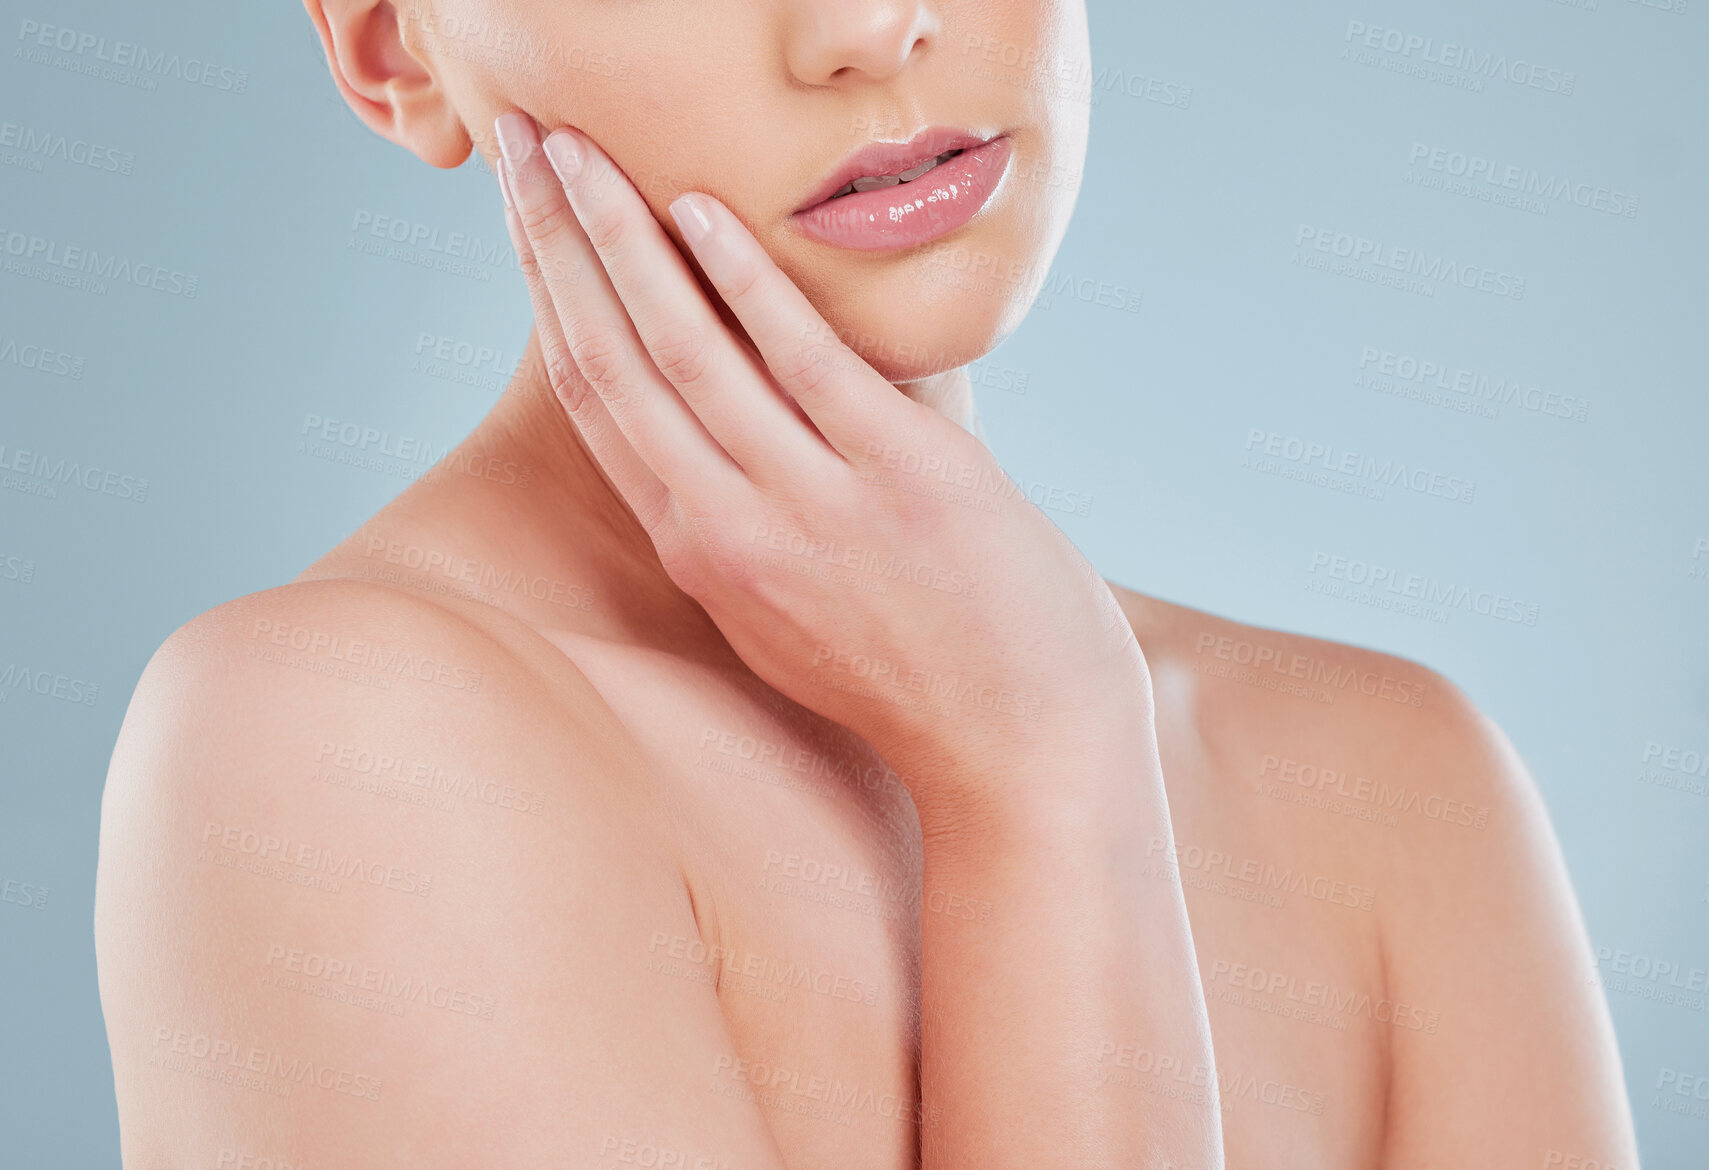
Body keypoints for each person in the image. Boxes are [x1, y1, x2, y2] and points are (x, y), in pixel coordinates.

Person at [93, 1, 1641, 1167]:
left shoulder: (1400, 784)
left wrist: (1055, 740)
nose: (869, 26)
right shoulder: (333, 749)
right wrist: (1033, 783)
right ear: (391, 50)